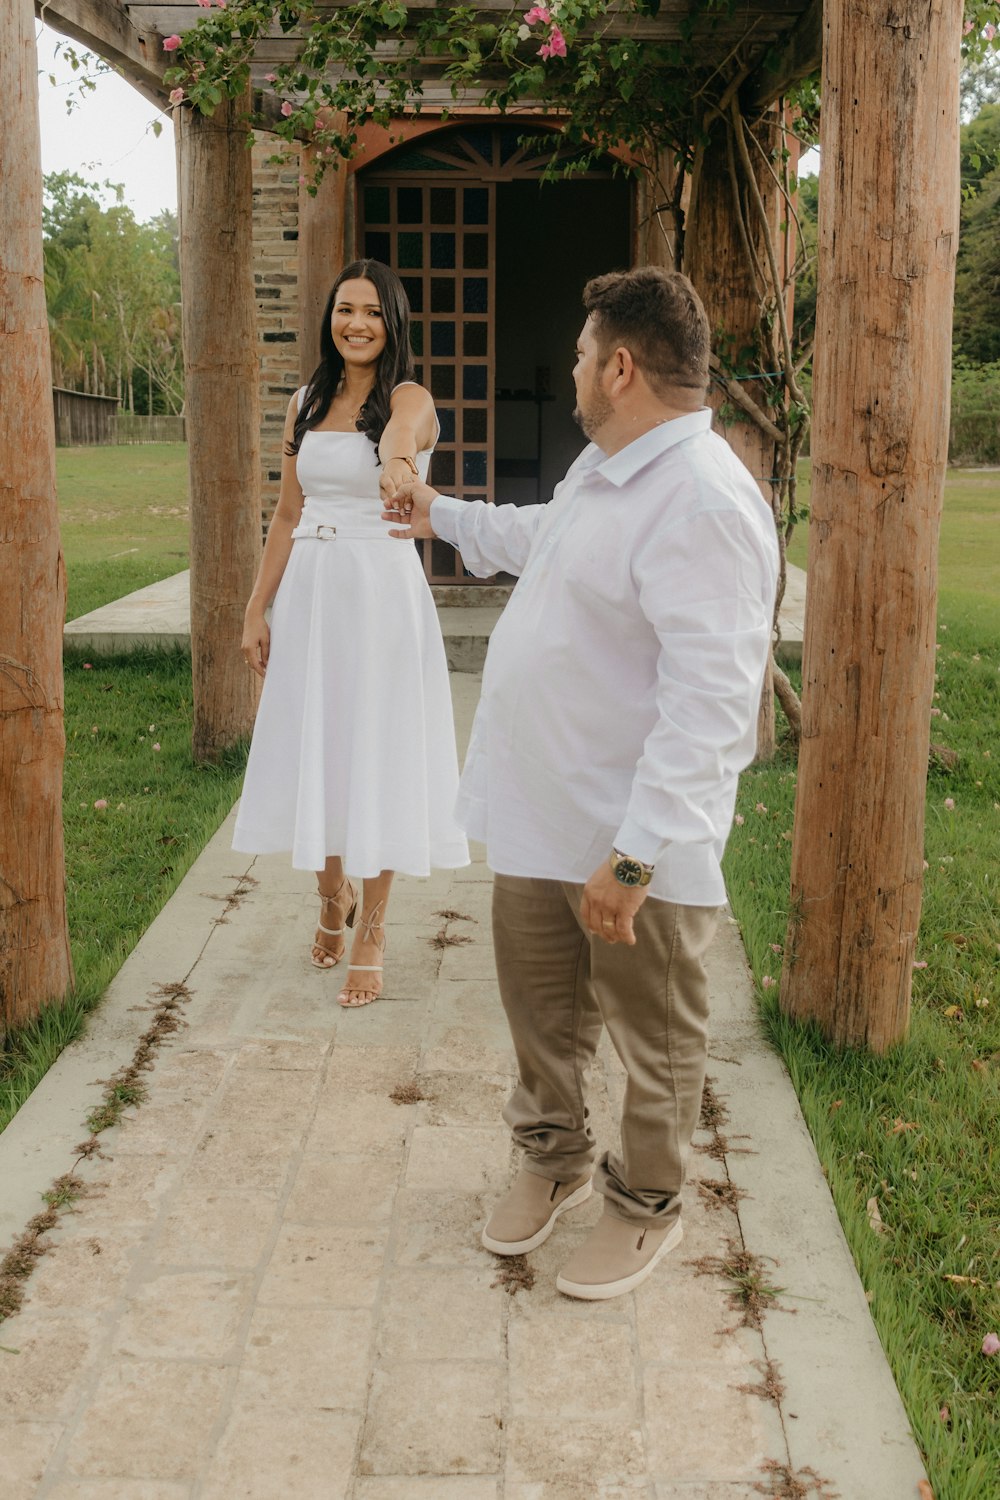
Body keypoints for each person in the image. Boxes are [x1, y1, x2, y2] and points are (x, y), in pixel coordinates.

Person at [384, 266, 778, 1298]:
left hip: (627, 836)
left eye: (576, 355)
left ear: (619, 365)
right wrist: (437, 512)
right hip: (541, 811)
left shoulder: (702, 501)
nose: (568, 373)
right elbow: (532, 540)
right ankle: (550, 1160)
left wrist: (636, 851)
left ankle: (646, 1207)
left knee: (654, 1035)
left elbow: (709, 706)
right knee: (542, 1012)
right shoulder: (607, 471)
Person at [233, 259, 469, 1006]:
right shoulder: (303, 401)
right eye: (345, 311)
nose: (357, 324)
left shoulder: (410, 397)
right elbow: (287, 515)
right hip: (310, 591)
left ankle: (374, 928)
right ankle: (330, 895)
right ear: (329, 319)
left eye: (371, 311)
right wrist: (254, 608)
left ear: (391, 321)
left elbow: (404, 435)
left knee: (378, 750)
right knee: (321, 745)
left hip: (381, 594)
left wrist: (399, 465)